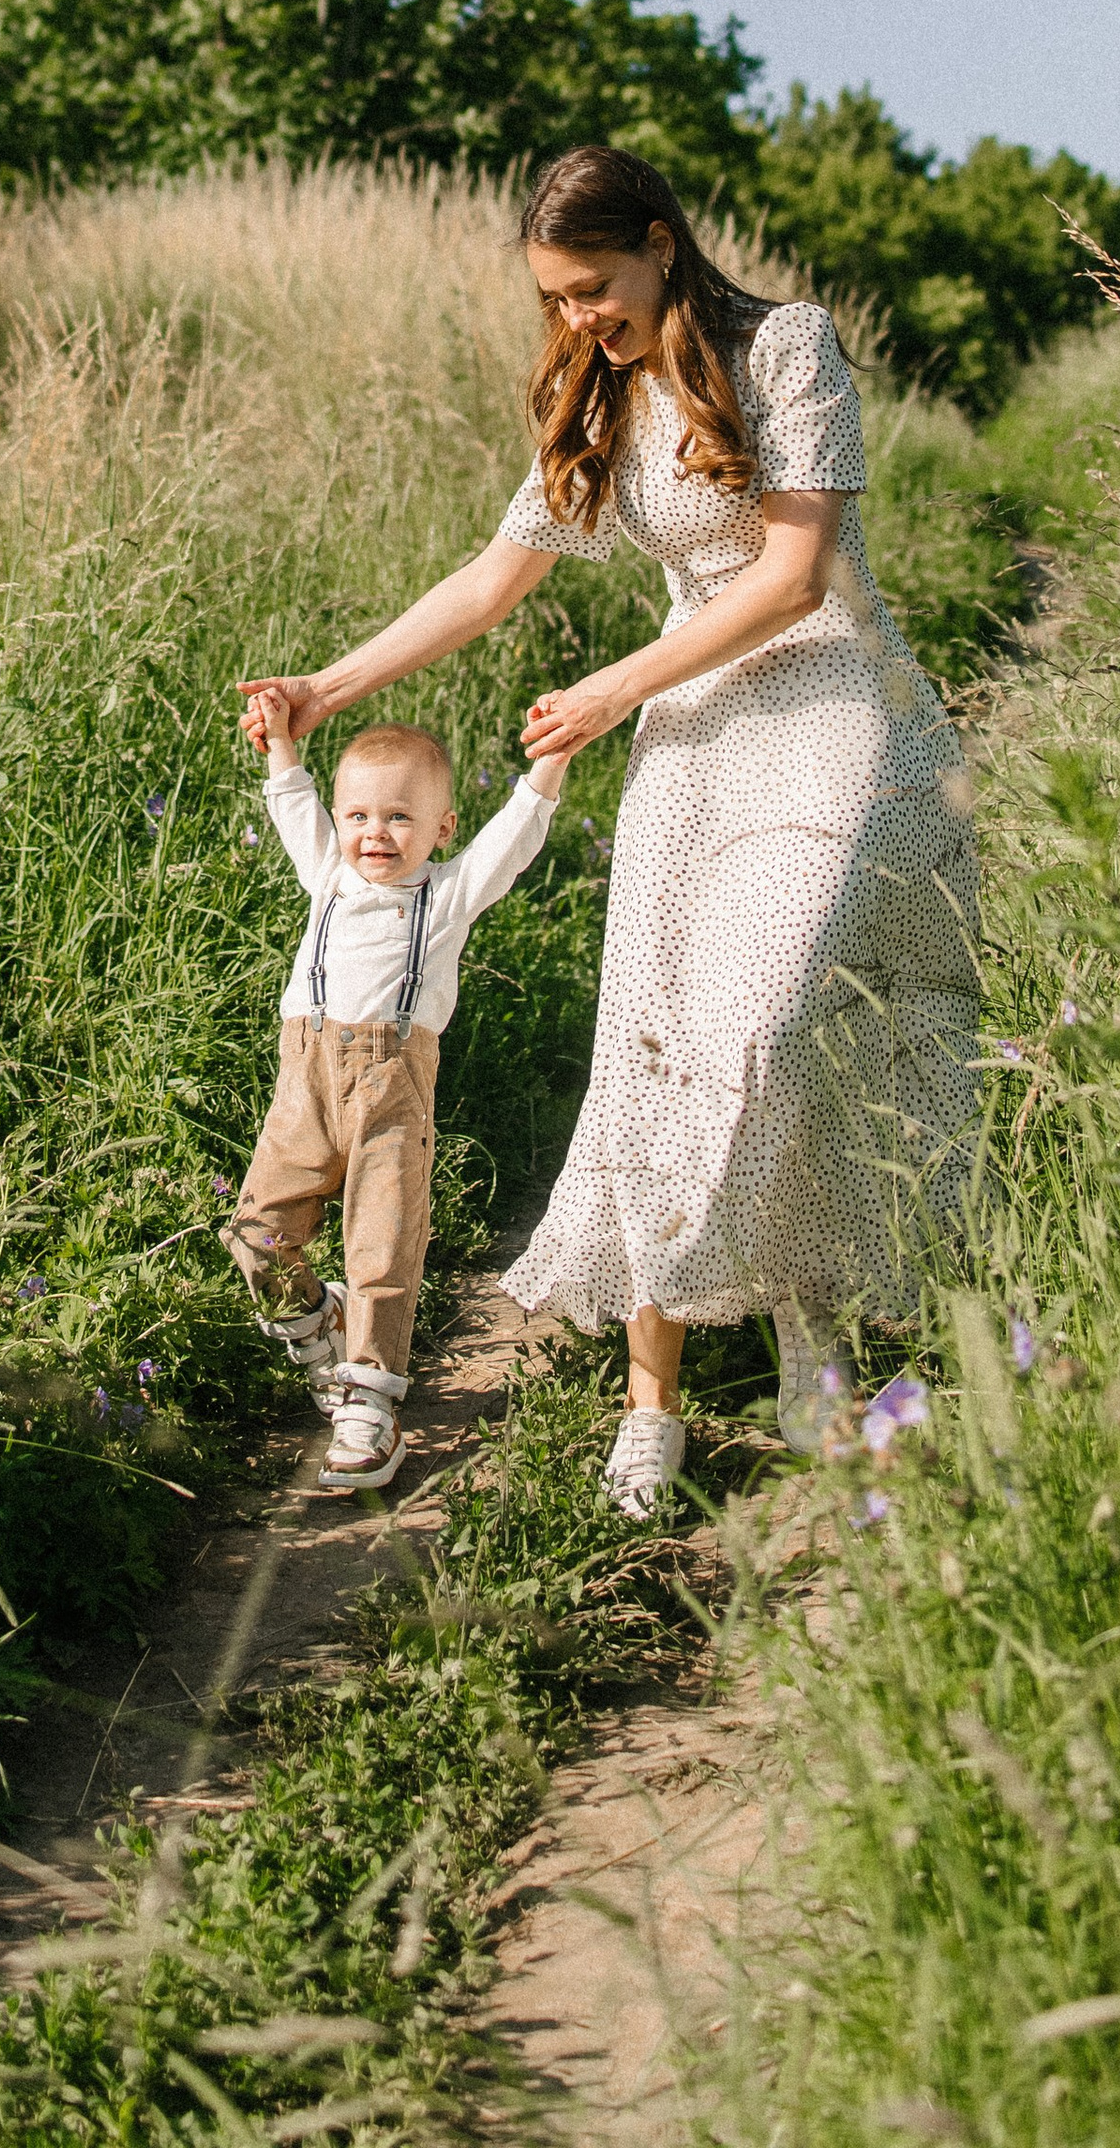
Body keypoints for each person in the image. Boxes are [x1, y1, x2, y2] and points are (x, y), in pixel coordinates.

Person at [241, 143, 980, 1525]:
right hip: (688, 739)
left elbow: (792, 576)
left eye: (592, 286)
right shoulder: (597, 387)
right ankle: (656, 1405)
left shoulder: (787, 349)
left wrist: (606, 690)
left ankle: (811, 1320)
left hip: (827, 709)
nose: (577, 316)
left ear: (659, 240)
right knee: (662, 1040)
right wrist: (322, 689)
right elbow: (492, 576)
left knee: (768, 1023)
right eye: (554, 298)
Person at [224, 708, 568, 1493]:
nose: (374, 834)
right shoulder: (329, 876)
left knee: (381, 1244)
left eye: (399, 817)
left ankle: (368, 1401)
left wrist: (551, 763)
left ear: (442, 827)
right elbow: (292, 802)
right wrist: (280, 742)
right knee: (254, 1233)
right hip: (303, 1085)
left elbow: (512, 843)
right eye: (359, 816)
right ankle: (315, 1319)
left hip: (392, 1089)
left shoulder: (446, 897)